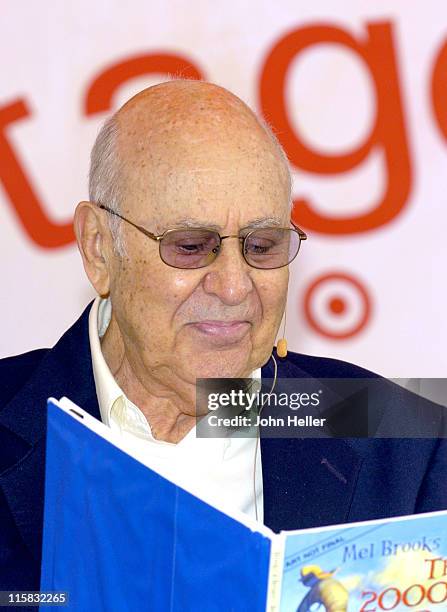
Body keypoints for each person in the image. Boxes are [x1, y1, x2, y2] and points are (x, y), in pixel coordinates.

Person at [0, 80, 446, 595]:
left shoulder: (404, 442)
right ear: (99, 249)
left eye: (261, 245)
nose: (235, 287)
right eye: (190, 247)